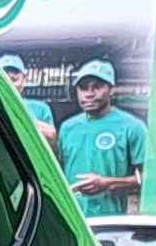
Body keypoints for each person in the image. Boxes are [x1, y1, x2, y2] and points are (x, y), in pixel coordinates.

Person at [55, 59, 148, 213]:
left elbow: (149, 178)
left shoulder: (132, 127)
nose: (89, 94)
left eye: (96, 87)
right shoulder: (67, 128)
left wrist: (107, 183)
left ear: (111, 89)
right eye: (83, 88)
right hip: (71, 218)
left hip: (110, 222)